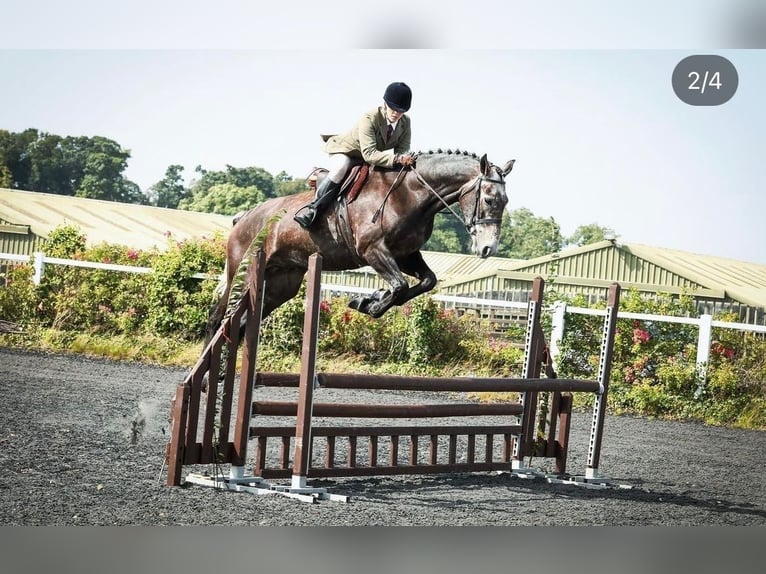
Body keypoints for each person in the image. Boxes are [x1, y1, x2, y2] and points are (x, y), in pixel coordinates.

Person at [294, 81, 417, 229]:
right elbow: (370, 154)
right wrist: (397, 159)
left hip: (368, 157)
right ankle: (313, 210)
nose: (396, 113)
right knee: (340, 168)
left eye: (401, 110)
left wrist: (404, 160)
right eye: (393, 108)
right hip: (346, 151)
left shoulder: (405, 122)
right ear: (385, 104)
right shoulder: (370, 117)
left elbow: (402, 151)